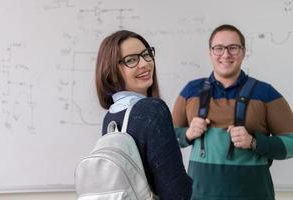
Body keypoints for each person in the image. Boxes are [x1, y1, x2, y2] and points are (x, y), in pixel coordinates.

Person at [172, 24, 293, 200]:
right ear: (210, 52)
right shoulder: (191, 91)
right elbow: (167, 141)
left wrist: (253, 142)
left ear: (244, 52)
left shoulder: (266, 93)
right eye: (218, 48)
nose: (226, 54)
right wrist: (188, 134)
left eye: (233, 48)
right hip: (199, 195)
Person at [95, 30, 192, 200]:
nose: (145, 63)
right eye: (131, 60)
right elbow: (176, 192)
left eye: (146, 54)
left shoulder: (110, 118)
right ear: (111, 71)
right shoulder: (152, 110)